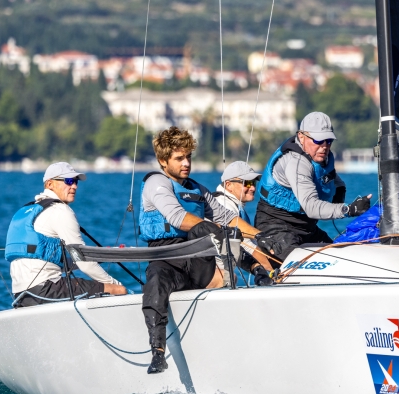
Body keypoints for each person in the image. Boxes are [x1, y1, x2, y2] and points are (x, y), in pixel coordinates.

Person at [140, 126, 266, 374]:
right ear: (163, 161)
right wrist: (213, 229)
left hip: (197, 257)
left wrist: (262, 236)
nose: (186, 163)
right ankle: (157, 352)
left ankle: (258, 270)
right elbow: (177, 217)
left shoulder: (197, 188)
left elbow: (227, 218)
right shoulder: (156, 182)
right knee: (155, 282)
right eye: (179, 158)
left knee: (220, 235)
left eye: (188, 156)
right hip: (167, 257)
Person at [6, 162, 127, 307]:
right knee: (118, 290)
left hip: (20, 295)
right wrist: (115, 285)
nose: (74, 186)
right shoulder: (60, 210)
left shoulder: (26, 211)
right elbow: (84, 263)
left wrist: (99, 257)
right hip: (46, 290)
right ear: (50, 184)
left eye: (75, 181)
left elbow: (47, 262)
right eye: (68, 181)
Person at [254, 112, 372, 260]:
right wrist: (348, 209)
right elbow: (311, 207)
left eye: (329, 140)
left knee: (341, 259)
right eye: (318, 140)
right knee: (298, 266)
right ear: (301, 137)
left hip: (306, 227)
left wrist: (339, 190)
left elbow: (330, 177)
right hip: (275, 225)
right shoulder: (296, 163)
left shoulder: (323, 157)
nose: (324, 146)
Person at [212, 161, 276, 285]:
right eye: (246, 183)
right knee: (231, 279)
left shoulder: (234, 205)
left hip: (222, 272)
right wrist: (280, 268)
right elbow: (246, 246)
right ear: (229, 185)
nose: (252, 187)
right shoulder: (224, 205)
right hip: (212, 275)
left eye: (253, 182)